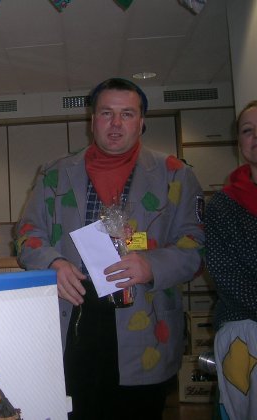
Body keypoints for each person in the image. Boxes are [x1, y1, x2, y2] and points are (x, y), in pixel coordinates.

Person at [16, 78, 205, 420]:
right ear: (92, 120)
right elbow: (28, 234)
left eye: (127, 114)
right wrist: (52, 263)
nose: (116, 123)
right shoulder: (54, 174)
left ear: (141, 121)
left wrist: (152, 265)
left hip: (146, 322)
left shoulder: (175, 175)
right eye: (106, 113)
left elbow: (195, 247)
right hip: (74, 320)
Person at [205, 100, 257, 420]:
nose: (256, 136)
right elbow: (227, 275)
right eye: (248, 131)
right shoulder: (223, 206)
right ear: (239, 142)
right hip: (245, 332)